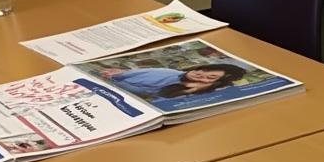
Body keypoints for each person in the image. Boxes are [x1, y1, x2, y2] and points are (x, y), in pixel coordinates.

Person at [97, 63, 246, 99]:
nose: (201, 75)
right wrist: (120, 74)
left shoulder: (185, 90)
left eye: (211, 77)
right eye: (203, 70)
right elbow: (131, 77)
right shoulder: (166, 72)